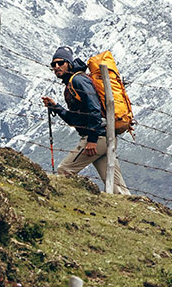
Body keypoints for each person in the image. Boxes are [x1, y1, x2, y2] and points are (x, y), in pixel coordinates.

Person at [43, 46, 127, 194]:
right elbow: (75, 119)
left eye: (61, 63)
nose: (56, 67)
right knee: (116, 188)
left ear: (69, 63)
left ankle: (69, 207)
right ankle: (132, 212)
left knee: (65, 170)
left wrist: (92, 140)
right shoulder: (75, 81)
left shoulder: (78, 81)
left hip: (96, 138)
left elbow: (94, 109)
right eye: (53, 64)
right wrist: (56, 107)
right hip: (106, 135)